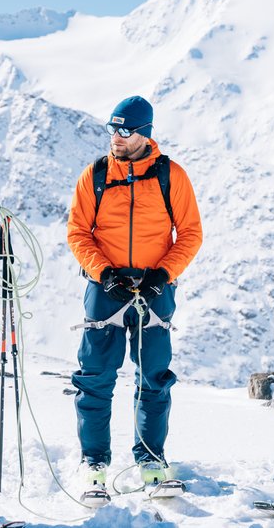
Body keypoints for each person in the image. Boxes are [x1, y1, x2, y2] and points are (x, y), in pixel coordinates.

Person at [66, 95, 203, 504]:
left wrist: (164, 274)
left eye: (125, 131)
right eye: (113, 130)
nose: (117, 138)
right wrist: (104, 273)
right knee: (94, 379)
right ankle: (94, 465)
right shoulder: (94, 175)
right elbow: (77, 232)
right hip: (105, 290)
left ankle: (151, 463)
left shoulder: (170, 175)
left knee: (154, 380)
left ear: (145, 134)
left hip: (155, 290)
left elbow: (191, 232)